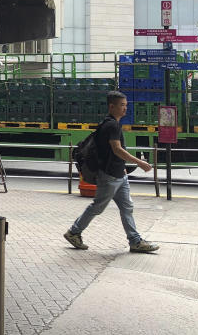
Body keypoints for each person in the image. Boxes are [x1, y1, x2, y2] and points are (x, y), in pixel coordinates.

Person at [64, 90, 160, 253]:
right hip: (109, 176)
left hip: (119, 175)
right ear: (111, 106)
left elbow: (111, 152)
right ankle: (74, 232)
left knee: (127, 207)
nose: (125, 108)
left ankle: (135, 241)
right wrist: (140, 162)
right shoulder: (112, 125)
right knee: (98, 207)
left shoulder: (109, 124)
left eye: (126, 105)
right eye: (122, 105)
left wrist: (123, 168)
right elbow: (117, 149)